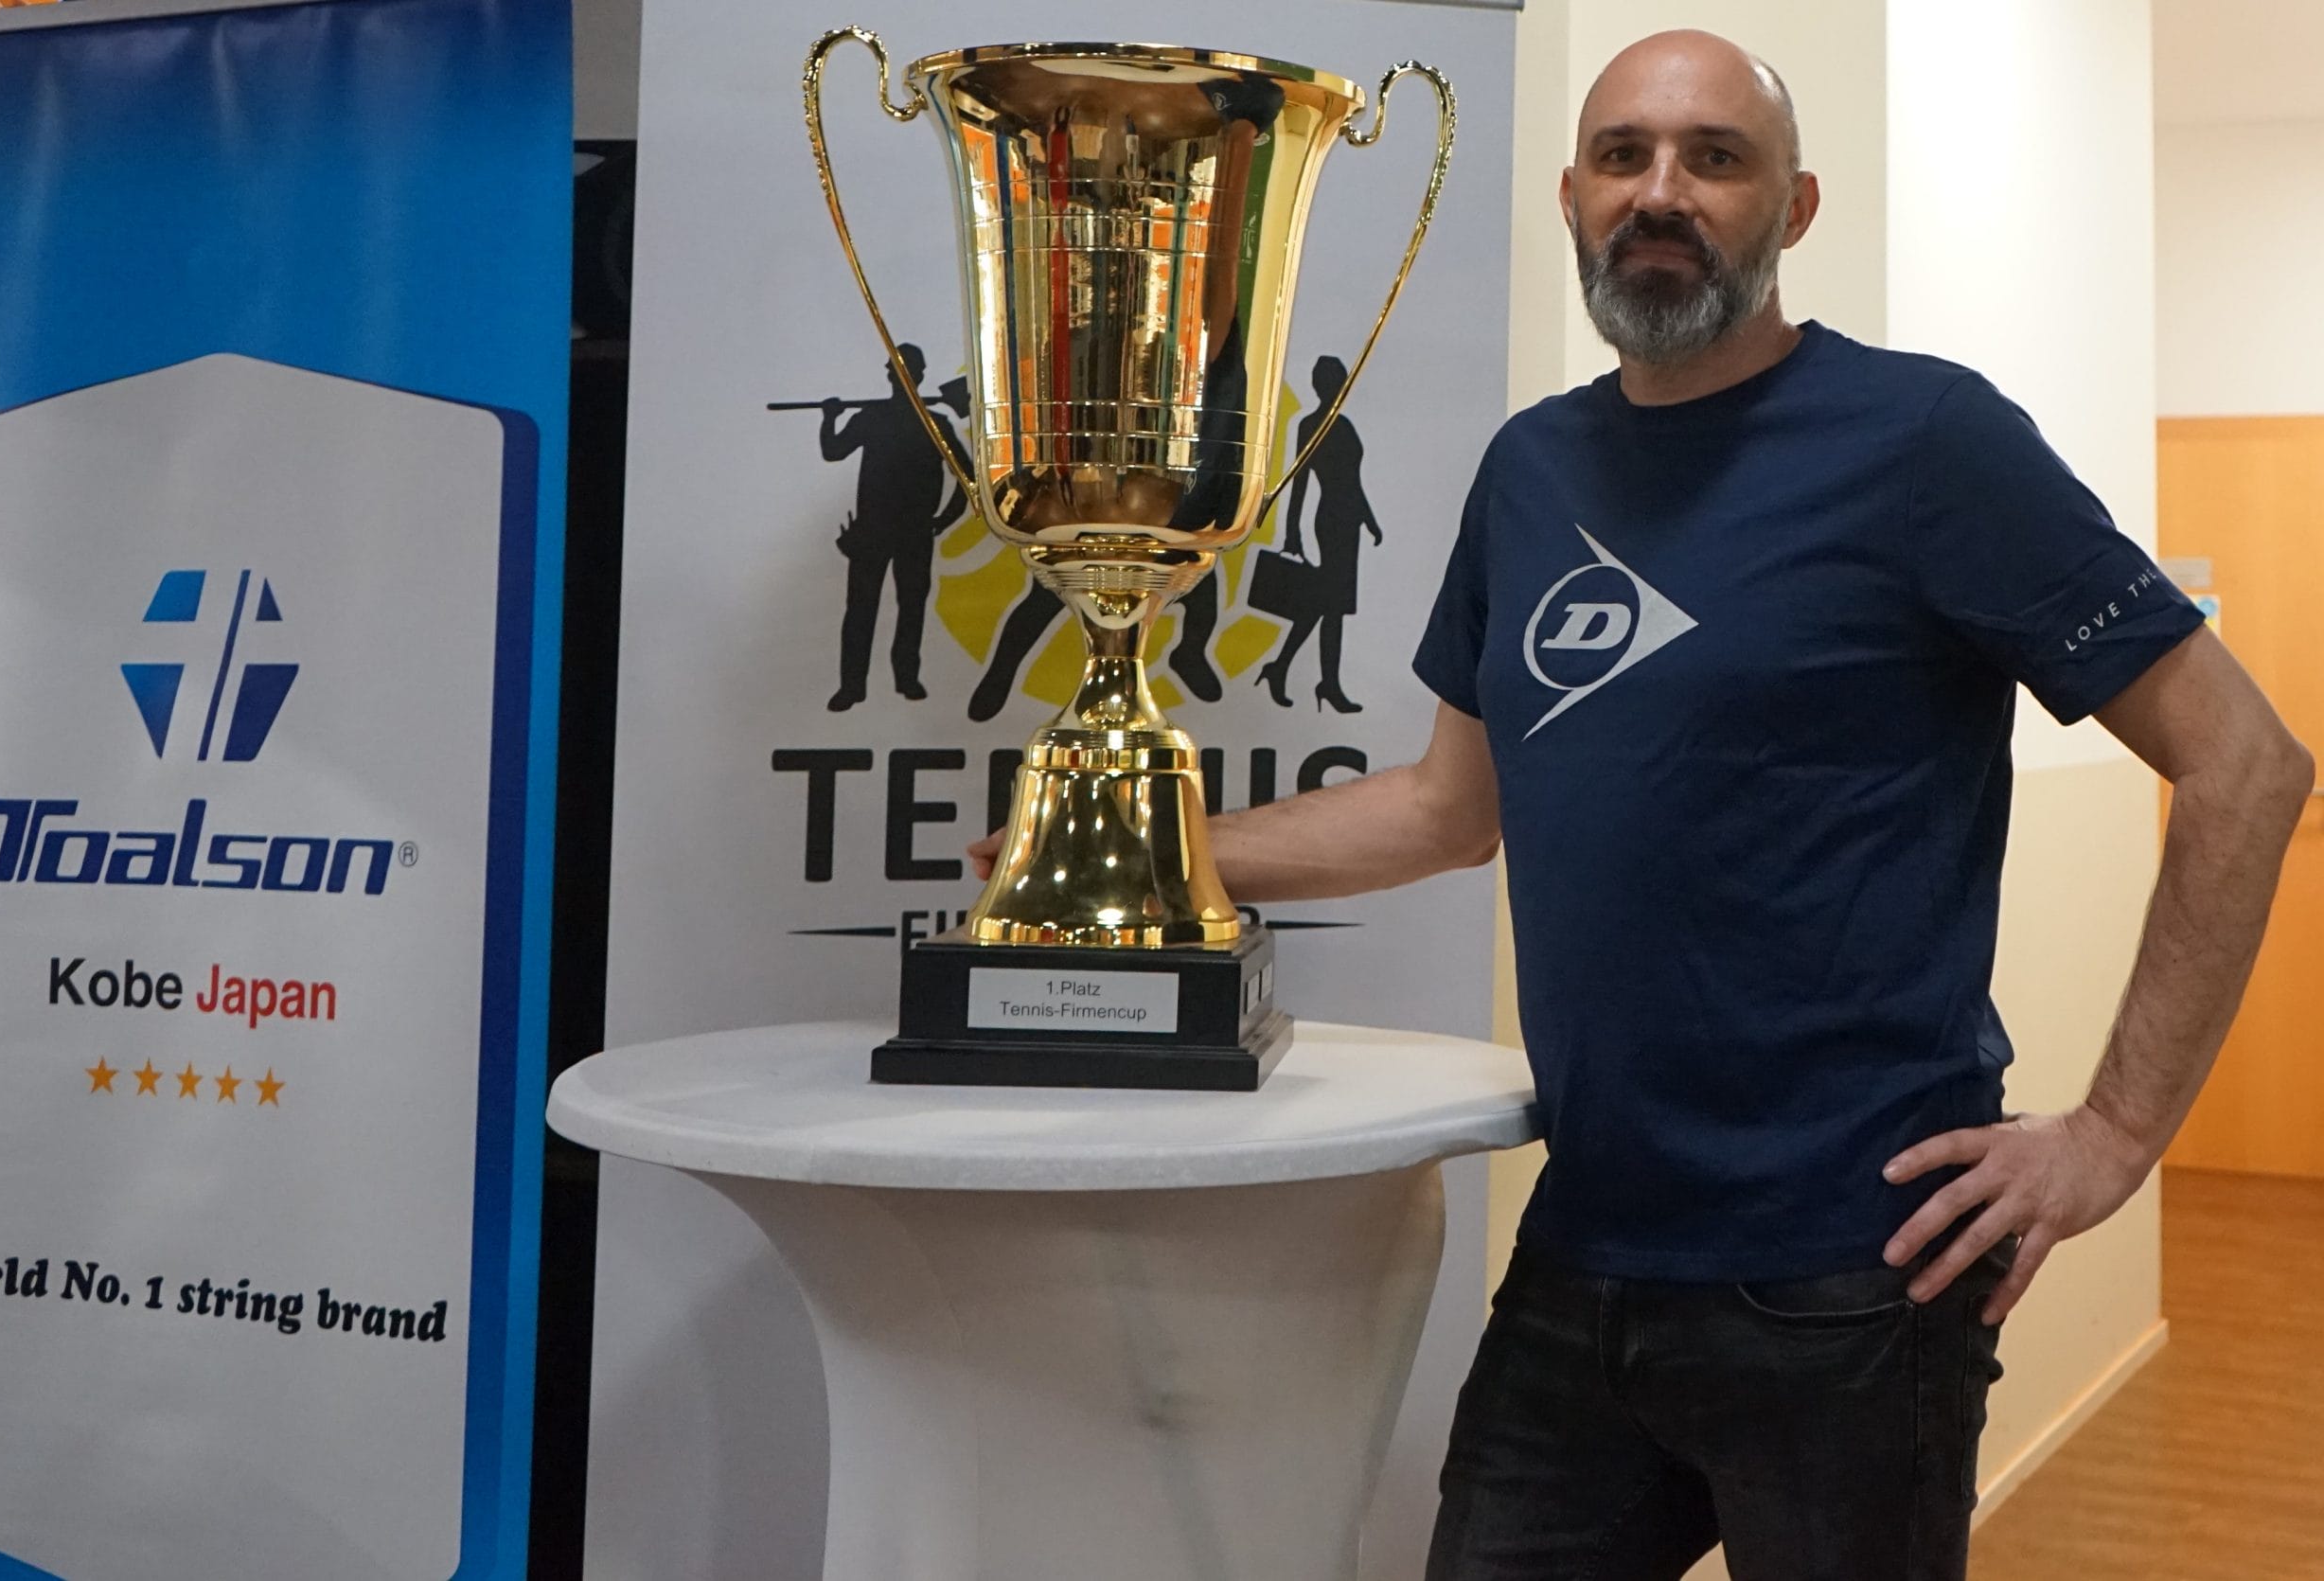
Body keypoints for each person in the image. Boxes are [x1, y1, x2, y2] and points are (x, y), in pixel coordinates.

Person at [973, 29, 2313, 1580]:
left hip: (1851, 1274)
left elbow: (2249, 761)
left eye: (1713, 159)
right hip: (1585, 1249)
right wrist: (1145, 856)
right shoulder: (1532, 469)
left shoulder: (1927, 443)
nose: (1660, 192)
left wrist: (2118, 1132)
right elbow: (1444, 809)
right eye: (1624, 156)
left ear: (1794, 207)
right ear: (1572, 196)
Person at [817, 342, 970, 712]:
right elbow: (833, 451)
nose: (898, 376)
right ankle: (853, 685)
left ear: (915, 375)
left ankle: (904, 678)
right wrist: (830, 418)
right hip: (874, 530)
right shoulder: (874, 418)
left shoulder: (934, 423)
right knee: (862, 608)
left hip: (913, 531)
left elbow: (967, 480)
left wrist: (943, 521)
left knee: (908, 607)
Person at [1257, 353, 1382, 712]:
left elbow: (1354, 481)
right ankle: (1322, 682)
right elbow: (1299, 483)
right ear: (1321, 386)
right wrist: (1292, 531)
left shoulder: (1344, 425)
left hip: (1350, 522)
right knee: (1332, 606)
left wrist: (1369, 520)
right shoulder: (1311, 425)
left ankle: (1289, 670)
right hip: (1329, 522)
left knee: (1329, 607)